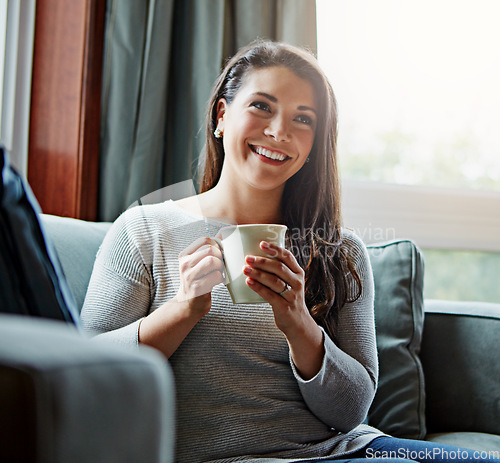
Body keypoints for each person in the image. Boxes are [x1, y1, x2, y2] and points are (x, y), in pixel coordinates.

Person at [81, 41, 499, 463]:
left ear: (314, 143)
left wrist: (299, 323)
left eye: (303, 119)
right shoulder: (144, 231)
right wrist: (182, 309)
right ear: (222, 117)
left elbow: (352, 412)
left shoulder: (341, 251)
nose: (279, 131)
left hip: (350, 452)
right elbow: (84, 374)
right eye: (262, 106)